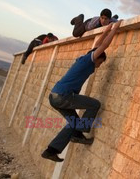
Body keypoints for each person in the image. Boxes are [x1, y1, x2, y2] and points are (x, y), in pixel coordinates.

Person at [41, 20, 122, 162]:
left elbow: (97, 44)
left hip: (54, 96)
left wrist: (107, 27)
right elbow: (103, 45)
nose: (99, 65)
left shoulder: (84, 58)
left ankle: (51, 150)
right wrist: (115, 28)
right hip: (63, 96)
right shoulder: (89, 61)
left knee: (73, 122)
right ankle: (82, 129)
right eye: (100, 62)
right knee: (94, 104)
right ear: (98, 58)